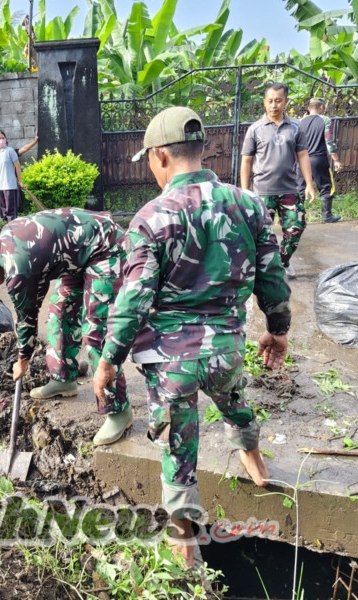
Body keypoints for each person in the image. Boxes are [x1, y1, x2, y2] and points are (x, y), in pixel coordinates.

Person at [93, 107, 291, 568]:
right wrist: (277, 332)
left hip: (172, 365)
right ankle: (255, 463)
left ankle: (185, 547)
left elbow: (133, 301)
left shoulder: (151, 217)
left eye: (149, 159)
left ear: (160, 156)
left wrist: (107, 362)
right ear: (200, 150)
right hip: (227, 351)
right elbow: (273, 278)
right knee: (234, 399)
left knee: (179, 450)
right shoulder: (249, 204)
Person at [0, 208, 133, 446]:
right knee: (59, 311)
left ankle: (118, 410)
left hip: (105, 248)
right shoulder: (3, 243)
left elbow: (26, 318)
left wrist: (22, 359)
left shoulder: (16, 265)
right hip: (76, 258)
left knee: (96, 331)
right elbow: (36, 297)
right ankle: (64, 378)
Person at [240, 82, 317, 278]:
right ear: (264, 102)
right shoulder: (255, 129)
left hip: (290, 189)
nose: (274, 105)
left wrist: (309, 183)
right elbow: (246, 160)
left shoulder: (295, 127)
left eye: (278, 101)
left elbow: (303, 155)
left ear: (286, 101)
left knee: (295, 228)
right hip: (262, 192)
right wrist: (244, 190)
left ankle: (282, 262)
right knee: (259, 234)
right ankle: (260, 269)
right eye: (270, 101)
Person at [296, 97, 343, 223]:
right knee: (326, 186)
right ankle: (326, 216)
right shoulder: (325, 120)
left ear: (308, 108)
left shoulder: (299, 122)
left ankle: (297, 218)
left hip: (301, 160)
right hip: (318, 159)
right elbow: (329, 141)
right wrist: (336, 160)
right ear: (321, 107)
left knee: (300, 188)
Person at [0, 130, 26, 222]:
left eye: (3, 138)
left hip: (10, 185)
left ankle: (12, 227)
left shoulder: (10, 151)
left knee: (11, 210)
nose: (1, 140)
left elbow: (18, 166)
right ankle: (5, 228)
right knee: (3, 208)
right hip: (0, 186)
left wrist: (19, 181)